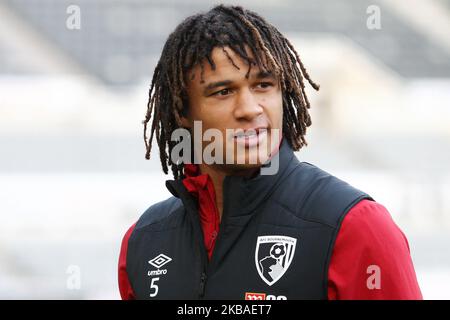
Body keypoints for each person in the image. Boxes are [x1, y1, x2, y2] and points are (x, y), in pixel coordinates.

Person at [118, 4, 422, 300]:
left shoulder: (354, 226)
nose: (250, 109)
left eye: (263, 85)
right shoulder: (144, 241)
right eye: (223, 91)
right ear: (182, 110)